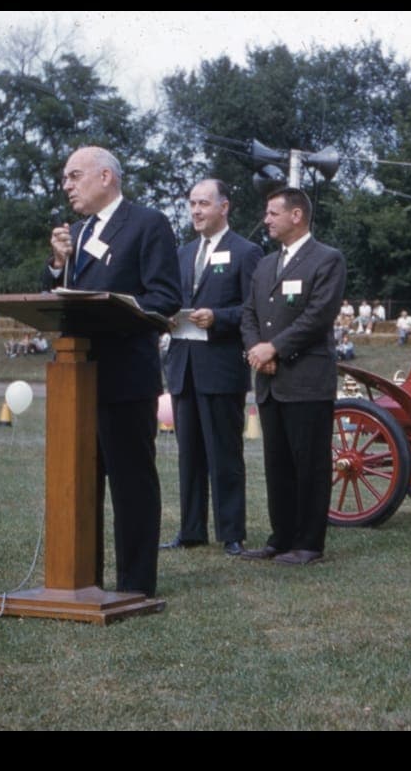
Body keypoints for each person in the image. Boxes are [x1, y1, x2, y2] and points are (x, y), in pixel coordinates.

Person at [40, 146, 182, 598]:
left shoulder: (147, 223)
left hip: (126, 378)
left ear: (106, 177)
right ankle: (84, 576)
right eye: (64, 177)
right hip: (78, 381)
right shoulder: (77, 233)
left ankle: (136, 582)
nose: (66, 185)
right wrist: (58, 265)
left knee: (130, 482)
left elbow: (164, 298)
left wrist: (117, 309)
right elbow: (60, 301)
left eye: (74, 175)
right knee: (79, 482)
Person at [240, 188, 346, 565]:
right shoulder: (265, 265)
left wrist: (276, 348)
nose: (266, 220)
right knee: (278, 464)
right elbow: (249, 313)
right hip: (270, 381)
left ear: (296, 215)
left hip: (306, 380)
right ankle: (280, 538)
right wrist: (257, 349)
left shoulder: (327, 259)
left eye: (272, 213)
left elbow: (317, 316)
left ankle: (308, 543)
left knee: (310, 465)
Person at [160, 179, 262, 557]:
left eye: (204, 203)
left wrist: (217, 316)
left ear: (225, 207)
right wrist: (167, 316)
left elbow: (254, 310)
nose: (197, 211)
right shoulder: (183, 253)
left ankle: (232, 532)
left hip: (221, 368)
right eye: (192, 204)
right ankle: (191, 530)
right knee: (189, 454)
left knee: (224, 454)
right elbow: (169, 299)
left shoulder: (246, 252)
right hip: (183, 367)